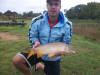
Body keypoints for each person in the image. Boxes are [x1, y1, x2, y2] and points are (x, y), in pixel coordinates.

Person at [12, 0, 72, 75]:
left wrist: (60, 52)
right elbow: (32, 36)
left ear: (60, 6)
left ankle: (40, 66)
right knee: (17, 60)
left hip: (53, 57)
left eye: (56, 4)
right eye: (50, 4)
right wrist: (35, 42)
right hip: (38, 49)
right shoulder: (36, 20)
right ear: (47, 6)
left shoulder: (67, 25)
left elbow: (65, 42)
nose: (53, 7)